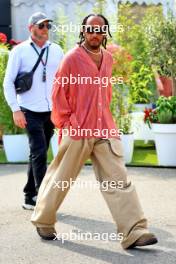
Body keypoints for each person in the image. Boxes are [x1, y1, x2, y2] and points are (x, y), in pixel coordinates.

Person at [31, 14, 158, 249]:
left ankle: (135, 231)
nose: (95, 34)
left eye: (100, 30)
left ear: (105, 32)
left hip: (104, 129)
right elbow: (59, 93)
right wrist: (67, 123)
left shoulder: (108, 59)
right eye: (91, 29)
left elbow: (105, 94)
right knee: (61, 179)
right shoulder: (71, 58)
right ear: (83, 31)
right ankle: (43, 219)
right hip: (78, 129)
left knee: (118, 180)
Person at [3, 12, 64, 210]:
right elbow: (8, 82)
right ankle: (44, 200)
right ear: (31, 28)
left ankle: (29, 196)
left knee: (38, 152)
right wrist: (15, 110)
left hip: (51, 111)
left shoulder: (56, 50)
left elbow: (63, 81)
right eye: (41, 26)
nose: (45, 30)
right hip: (28, 110)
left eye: (48, 26)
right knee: (39, 151)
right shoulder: (19, 51)